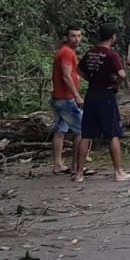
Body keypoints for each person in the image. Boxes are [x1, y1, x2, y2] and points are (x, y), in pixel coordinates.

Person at [73, 25, 130, 183]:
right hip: (106, 94)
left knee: (87, 134)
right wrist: (116, 85)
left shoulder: (91, 52)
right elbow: (122, 74)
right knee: (112, 133)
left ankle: (79, 173)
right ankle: (118, 171)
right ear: (113, 37)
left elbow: (79, 70)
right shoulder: (111, 55)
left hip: (91, 94)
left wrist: (92, 79)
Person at [50, 26, 83, 174]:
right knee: (82, 130)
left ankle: (58, 163)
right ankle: (77, 164)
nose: (76, 39)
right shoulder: (67, 53)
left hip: (59, 97)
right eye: (73, 36)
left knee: (60, 130)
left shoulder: (66, 52)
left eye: (78, 36)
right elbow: (66, 76)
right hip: (66, 99)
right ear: (66, 38)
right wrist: (76, 95)